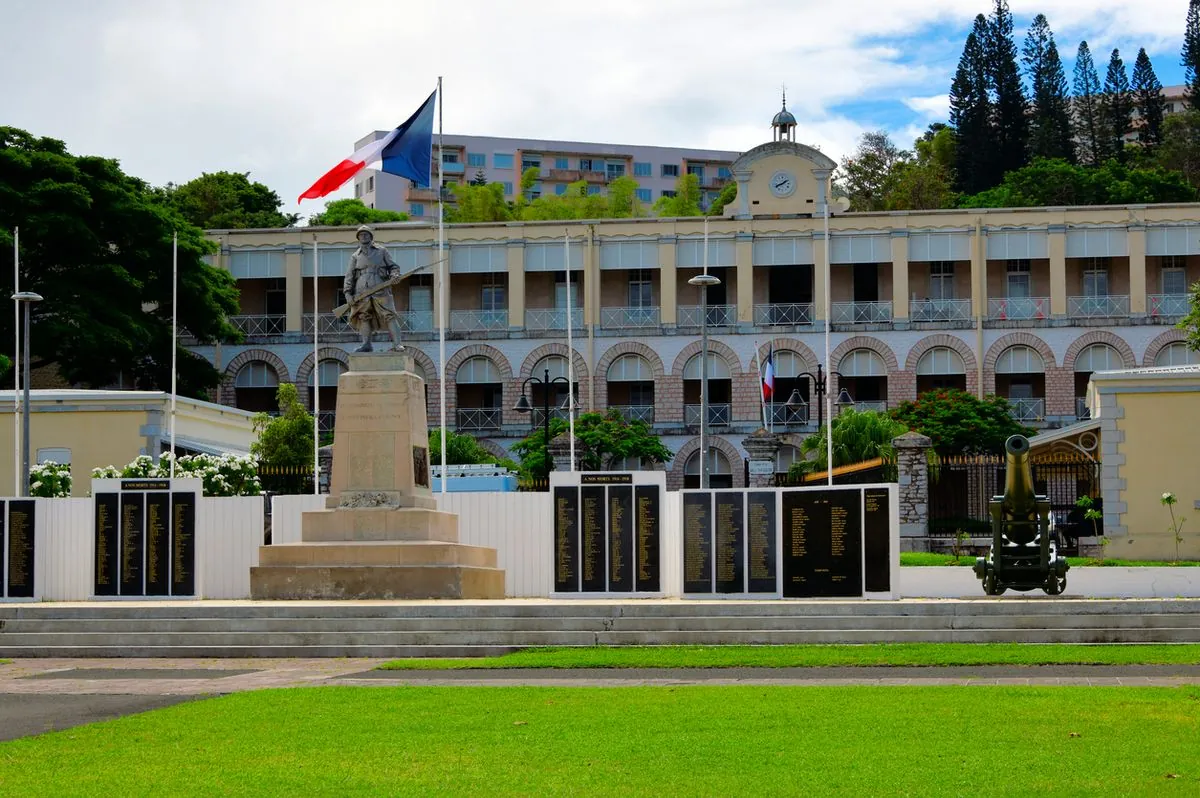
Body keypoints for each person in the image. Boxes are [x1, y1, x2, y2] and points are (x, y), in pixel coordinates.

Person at [343, 225, 405, 352]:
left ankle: (397, 344)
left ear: (371, 236)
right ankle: (366, 344)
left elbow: (393, 267)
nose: (363, 236)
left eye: (366, 234)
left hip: (381, 289)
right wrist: (347, 293)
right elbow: (349, 275)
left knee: (390, 315)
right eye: (361, 235)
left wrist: (395, 275)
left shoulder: (381, 250)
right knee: (363, 316)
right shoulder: (355, 256)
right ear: (358, 238)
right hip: (361, 291)